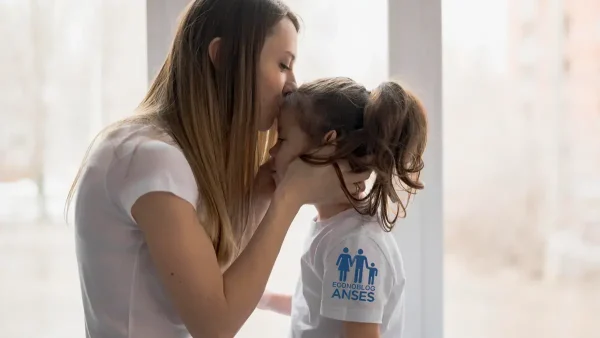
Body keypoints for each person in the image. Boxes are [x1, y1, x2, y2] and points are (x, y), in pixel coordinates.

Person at [65, 2, 370, 338]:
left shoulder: (153, 148)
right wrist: (289, 197)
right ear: (223, 56)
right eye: (283, 64)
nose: (292, 86)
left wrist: (263, 192)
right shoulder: (150, 159)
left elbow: (213, 274)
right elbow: (215, 326)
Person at [257, 77, 428, 338]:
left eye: (282, 139)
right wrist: (266, 299)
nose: (272, 152)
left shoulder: (355, 245)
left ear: (328, 146)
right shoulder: (335, 229)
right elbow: (318, 312)